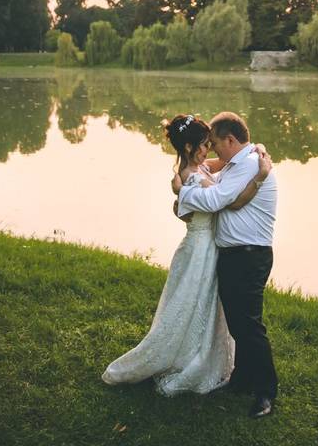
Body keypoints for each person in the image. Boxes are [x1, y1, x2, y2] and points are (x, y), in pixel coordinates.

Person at [101, 114, 271, 396]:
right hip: (199, 250)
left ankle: (199, 356)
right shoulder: (190, 176)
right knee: (187, 304)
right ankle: (171, 358)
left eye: (210, 144)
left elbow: (232, 159)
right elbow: (226, 201)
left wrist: (258, 147)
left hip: (210, 247)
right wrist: (260, 178)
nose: (210, 150)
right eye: (205, 145)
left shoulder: (201, 166)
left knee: (203, 307)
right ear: (190, 148)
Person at [175, 111, 279, 419]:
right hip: (238, 255)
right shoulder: (240, 162)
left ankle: (266, 391)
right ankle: (242, 379)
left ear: (231, 140)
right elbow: (209, 173)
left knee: (248, 326)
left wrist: (183, 192)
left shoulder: (248, 165)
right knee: (239, 324)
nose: (214, 149)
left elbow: (215, 200)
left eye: (216, 143)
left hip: (248, 255)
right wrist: (183, 169)